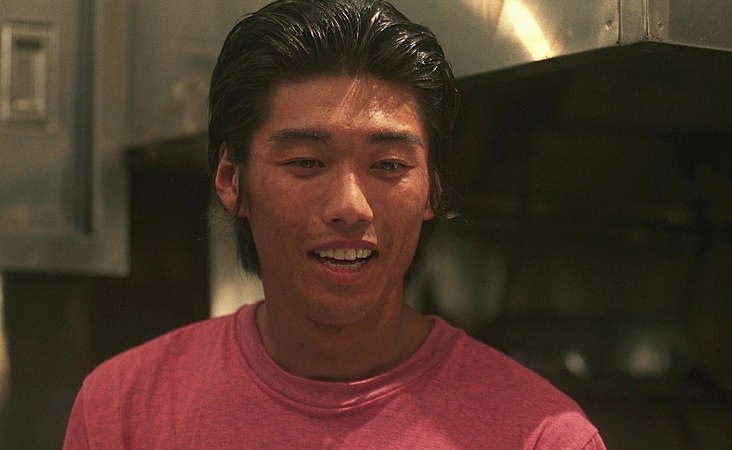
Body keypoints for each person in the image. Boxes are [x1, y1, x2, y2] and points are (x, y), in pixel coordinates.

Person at [63, 0, 606, 448]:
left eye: (388, 165)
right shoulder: (122, 411)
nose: (350, 206)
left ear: (433, 189)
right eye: (306, 162)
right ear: (231, 178)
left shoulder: (542, 436)